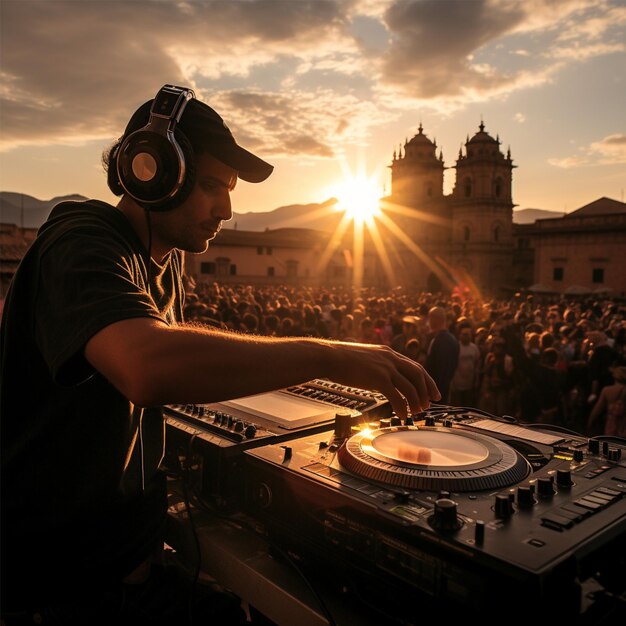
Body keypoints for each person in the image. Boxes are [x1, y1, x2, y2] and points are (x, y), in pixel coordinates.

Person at [0, 84, 439, 625]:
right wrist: (327, 355)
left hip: (123, 566)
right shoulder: (80, 239)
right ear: (151, 170)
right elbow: (147, 365)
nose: (227, 210)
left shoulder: (163, 261)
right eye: (211, 185)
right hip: (57, 587)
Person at [425, 306, 459, 404]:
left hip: (436, 393)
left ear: (436, 319)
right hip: (445, 390)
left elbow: (439, 370)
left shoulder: (438, 341)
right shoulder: (453, 339)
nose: (429, 322)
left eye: (430, 318)